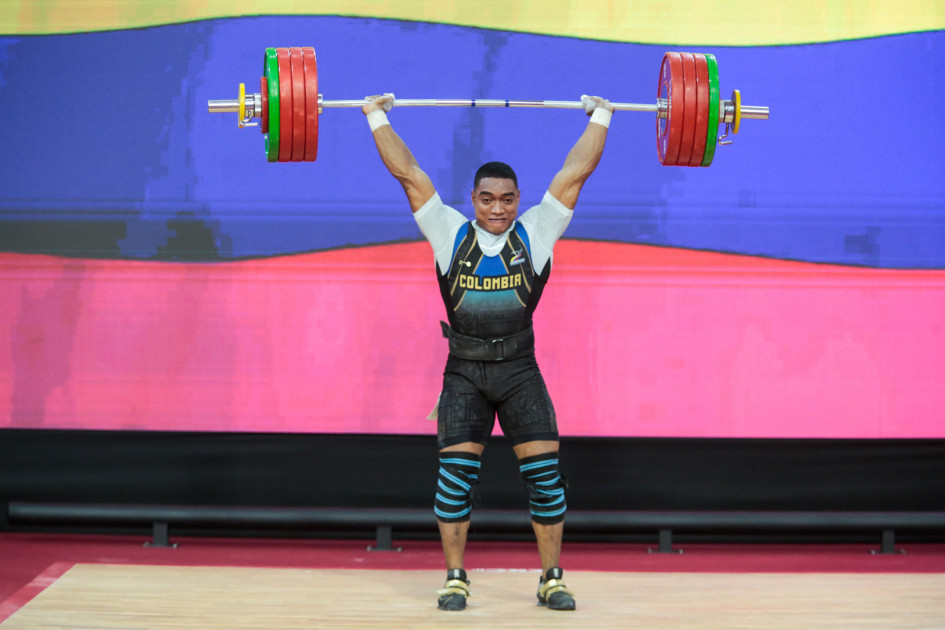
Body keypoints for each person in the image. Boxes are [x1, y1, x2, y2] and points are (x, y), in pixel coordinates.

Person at [362, 93, 613, 612]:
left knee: (546, 479)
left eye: (506, 199)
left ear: (519, 199)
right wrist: (376, 115)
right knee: (454, 481)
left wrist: (603, 115)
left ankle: (551, 579)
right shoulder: (449, 232)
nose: (497, 209)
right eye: (487, 199)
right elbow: (408, 173)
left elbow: (575, 172)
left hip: (521, 371)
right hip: (465, 375)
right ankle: (455, 577)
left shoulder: (538, 230)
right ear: (472, 199)